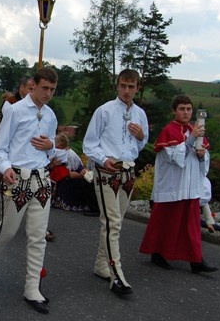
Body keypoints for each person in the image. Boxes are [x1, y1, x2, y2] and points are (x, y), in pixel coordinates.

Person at [0, 67, 58, 315]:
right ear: (33, 84)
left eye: (52, 90)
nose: (48, 94)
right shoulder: (14, 111)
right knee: (8, 230)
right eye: (44, 88)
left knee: (37, 237)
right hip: (17, 180)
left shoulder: (50, 116)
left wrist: (51, 146)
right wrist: (5, 168)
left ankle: (32, 288)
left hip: (43, 180)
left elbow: (52, 152)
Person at [83, 68, 149, 295]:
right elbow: (89, 144)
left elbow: (141, 145)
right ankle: (116, 274)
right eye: (123, 85)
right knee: (111, 222)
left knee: (115, 223)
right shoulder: (104, 111)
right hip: (107, 171)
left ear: (137, 88)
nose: (127, 90)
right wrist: (103, 159)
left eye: (132, 86)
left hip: (128, 172)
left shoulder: (140, 114)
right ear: (117, 86)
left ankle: (102, 265)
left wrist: (140, 136)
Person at [139, 95, 219, 274]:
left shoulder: (195, 130)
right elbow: (174, 157)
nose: (186, 112)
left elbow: (203, 161)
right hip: (172, 186)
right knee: (166, 223)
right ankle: (158, 253)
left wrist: (201, 154)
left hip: (190, 187)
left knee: (191, 225)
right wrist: (191, 140)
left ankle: (196, 260)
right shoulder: (169, 130)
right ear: (174, 111)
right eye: (182, 109)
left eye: (189, 109)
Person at [50, 133, 98, 214]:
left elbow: (80, 168)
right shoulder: (53, 152)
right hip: (55, 176)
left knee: (69, 178)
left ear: (61, 144)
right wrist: (53, 164)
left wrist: (81, 173)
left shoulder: (70, 154)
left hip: (72, 177)